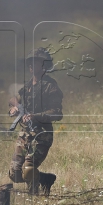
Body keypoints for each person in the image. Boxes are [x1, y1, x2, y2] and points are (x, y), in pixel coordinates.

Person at [8, 48, 63, 195]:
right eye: (29, 62)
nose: (31, 65)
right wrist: (14, 109)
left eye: (35, 62)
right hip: (24, 134)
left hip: (42, 135)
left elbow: (57, 113)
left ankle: (34, 198)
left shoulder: (51, 86)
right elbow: (15, 103)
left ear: (44, 65)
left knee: (28, 169)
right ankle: (44, 179)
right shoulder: (26, 87)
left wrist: (35, 116)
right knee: (15, 173)